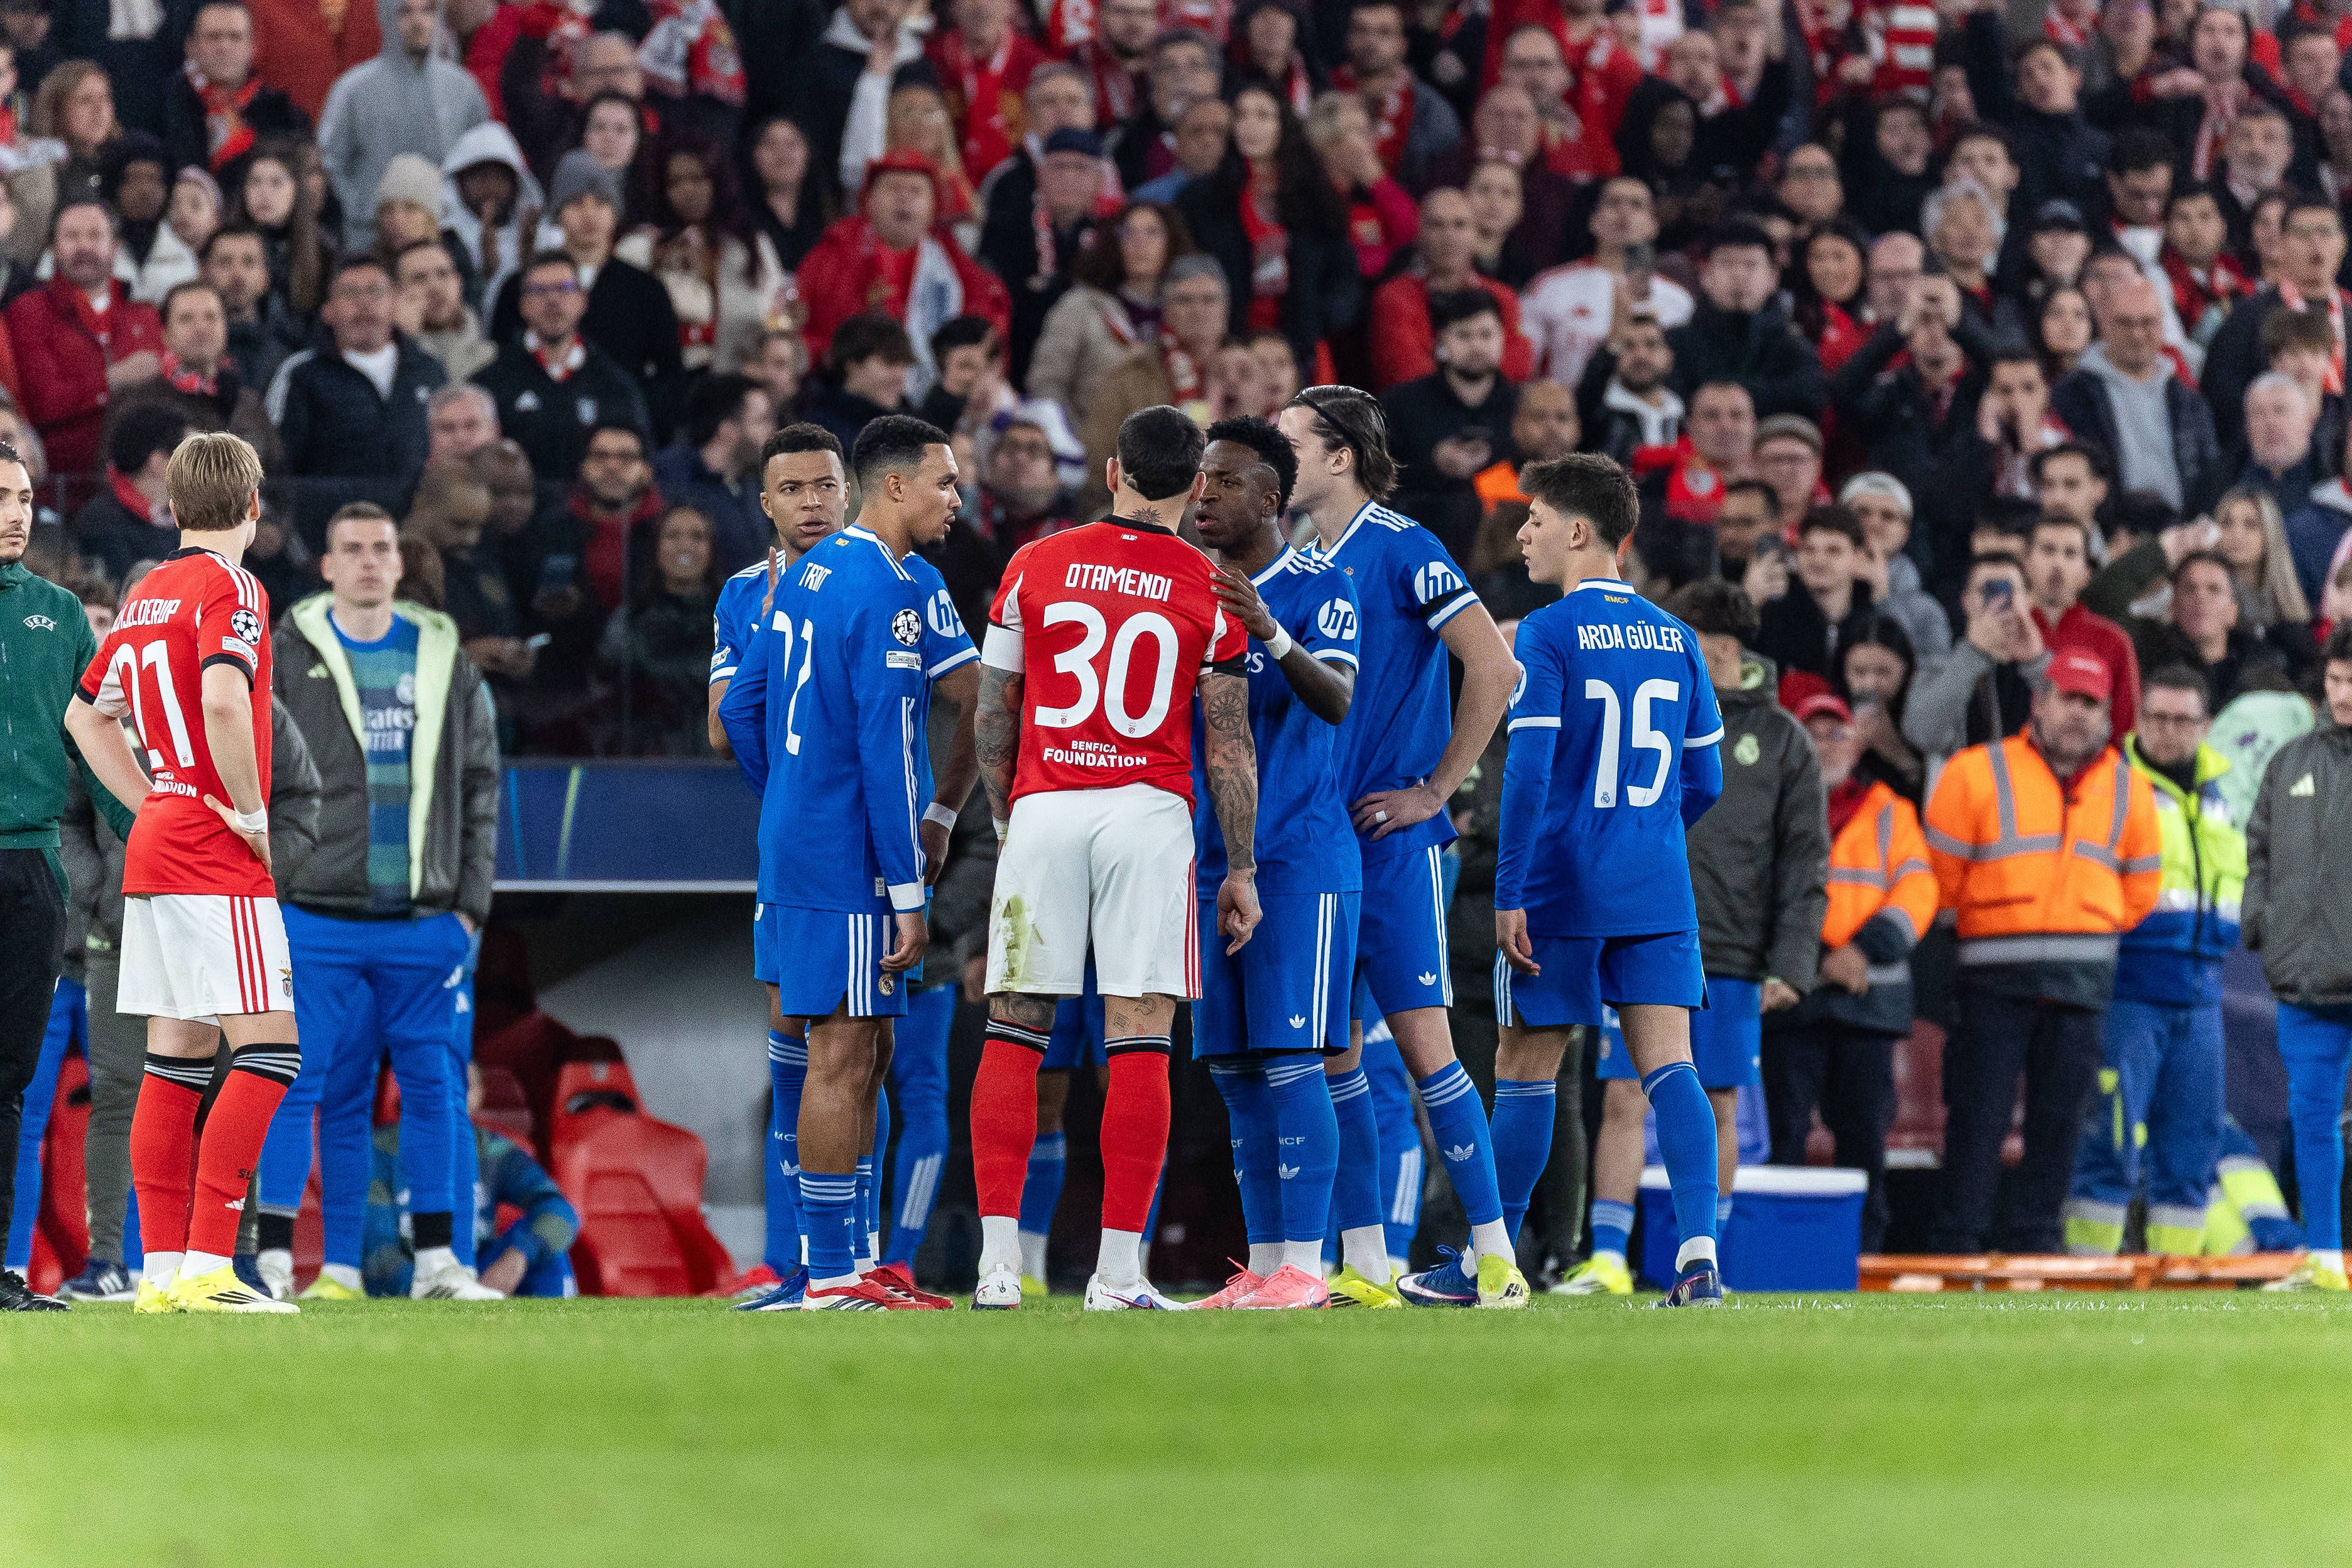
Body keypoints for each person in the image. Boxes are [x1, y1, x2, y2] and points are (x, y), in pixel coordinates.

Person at [966, 404, 1258, 1312]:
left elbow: (991, 713)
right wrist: (1239, 866)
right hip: (1147, 815)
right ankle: (1117, 1272)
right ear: (1198, 485)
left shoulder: (1034, 563)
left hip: (1046, 807)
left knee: (1016, 1024)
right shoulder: (1210, 585)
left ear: (1111, 471)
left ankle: (998, 1267)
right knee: (1140, 1033)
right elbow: (1228, 746)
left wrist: (1008, 823)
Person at [719, 413, 976, 1310]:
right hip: (850, 853)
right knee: (840, 1052)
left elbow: (742, 707)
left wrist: (787, 787)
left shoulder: (807, 578)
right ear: (896, 485)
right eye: (946, 481)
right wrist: (909, 885)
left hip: (806, 836)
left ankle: (847, 1263)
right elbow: (881, 745)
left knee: (862, 1050)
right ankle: (830, 1275)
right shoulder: (879, 589)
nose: (958, 497)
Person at [1275, 384, 1524, 1308]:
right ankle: (1369, 1262)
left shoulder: (1404, 548)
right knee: (1335, 1049)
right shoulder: (1302, 560)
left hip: (1394, 845)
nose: (1275, 461)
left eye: (1290, 443)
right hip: (1320, 846)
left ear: (1341, 456)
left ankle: (1495, 1258)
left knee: (1427, 1050)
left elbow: (1496, 668)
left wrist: (1435, 789)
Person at [62, 431, 303, 1313]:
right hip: (211, 846)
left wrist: (144, 802)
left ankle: (161, 1274)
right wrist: (246, 812)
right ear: (251, 505)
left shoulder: (144, 595)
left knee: (177, 1062)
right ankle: (210, 1265)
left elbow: (85, 720)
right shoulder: (233, 585)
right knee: (272, 1053)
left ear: (171, 508)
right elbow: (222, 697)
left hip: (159, 843)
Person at [1491, 454, 1731, 1305]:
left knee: (1526, 1062)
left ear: (1581, 532)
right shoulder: (1678, 637)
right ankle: (1699, 1256)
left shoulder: (1548, 632)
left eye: (1536, 519)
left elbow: (1527, 770)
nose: (1523, 534)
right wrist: (1649, 837)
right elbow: (1707, 783)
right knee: (1672, 1067)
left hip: (1563, 885)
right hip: (1657, 886)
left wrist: (1510, 888)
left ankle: (1495, 1265)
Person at [252, 503, 501, 1301]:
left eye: (381, 549)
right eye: (351, 549)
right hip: (315, 913)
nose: (366, 562)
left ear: (401, 563)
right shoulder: (286, 652)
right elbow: (254, 772)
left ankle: (438, 1264)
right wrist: (274, 888)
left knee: (435, 1088)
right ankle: (272, 1263)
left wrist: (470, 906)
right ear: (325, 565)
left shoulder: (444, 655)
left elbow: (479, 783)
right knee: (294, 1084)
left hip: (424, 920)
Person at [1184, 416, 1356, 1310]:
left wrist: (1272, 634)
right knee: (1236, 1070)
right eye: (1201, 479)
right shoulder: (1185, 588)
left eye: (1225, 480)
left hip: (1301, 858)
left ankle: (1309, 1268)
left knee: (1293, 1060)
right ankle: (1261, 1268)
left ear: (1272, 498)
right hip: (1209, 861)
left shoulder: (1319, 587)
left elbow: (1336, 700)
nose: (1204, 493)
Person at [1924, 648, 2162, 1254]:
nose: (2078, 714)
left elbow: (2142, 885)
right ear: (2040, 701)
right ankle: (1959, 1246)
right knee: (1978, 1123)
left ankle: (2036, 1243)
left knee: (2060, 1128)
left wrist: (2086, 930)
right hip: (1991, 983)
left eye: (2091, 704)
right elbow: (1938, 882)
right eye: (2068, 699)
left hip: (2081, 988)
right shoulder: (1974, 772)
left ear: (2108, 714)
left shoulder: (2129, 787)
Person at [0, 436, 133, 1310]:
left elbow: (95, 747)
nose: (14, 514)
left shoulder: (57, 613)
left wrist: (153, 833)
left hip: (30, 869)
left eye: (21, 498)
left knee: (7, 1079)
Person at [2061, 664, 2241, 1261]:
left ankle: (2179, 1287)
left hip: (2202, 995)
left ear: (2206, 725)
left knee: (2191, 1153)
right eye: (2157, 718)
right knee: (2108, 1147)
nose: (2169, 732)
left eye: (2183, 720)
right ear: (2137, 721)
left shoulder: (2220, 796)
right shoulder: (2112, 786)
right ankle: (2085, 1283)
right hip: (2128, 992)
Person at [1762, 691, 1937, 1253]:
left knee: (1864, 1140)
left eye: (1838, 731)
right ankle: (1782, 1257)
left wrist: (1864, 950)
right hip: (1794, 1000)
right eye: (1814, 731)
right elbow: (1753, 891)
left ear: (1858, 742)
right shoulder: (1770, 804)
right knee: (1783, 1136)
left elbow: (1919, 888)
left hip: (1868, 998)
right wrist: (1819, 961)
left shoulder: (1892, 810)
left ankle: (1865, 1256)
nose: (1827, 743)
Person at [4, 199, 165, 476]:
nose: (84, 247)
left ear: (116, 247)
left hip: (144, 480)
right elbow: (43, 403)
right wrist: (112, 379)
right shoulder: (28, 311)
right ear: (53, 249)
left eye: (95, 235)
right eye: (71, 236)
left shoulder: (145, 314)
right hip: (62, 484)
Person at [317, 0, 490, 249]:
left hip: (447, 236)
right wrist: (362, 208)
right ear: (387, 17)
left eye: (428, 10)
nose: (418, 22)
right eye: (405, 11)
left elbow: (481, 160)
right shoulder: (353, 90)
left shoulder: (463, 90)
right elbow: (328, 162)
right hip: (370, 240)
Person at [264, 253, 445, 484]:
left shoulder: (429, 369)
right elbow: (285, 464)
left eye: (376, 291)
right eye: (350, 293)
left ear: (395, 303)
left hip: (419, 515)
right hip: (335, 515)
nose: (364, 303)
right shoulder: (304, 376)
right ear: (328, 311)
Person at [474, 251, 651, 484]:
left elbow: (640, 467)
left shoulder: (616, 385)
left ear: (583, 301)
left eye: (564, 288)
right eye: (540, 291)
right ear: (523, 306)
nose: (553, 300)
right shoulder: (491, 382)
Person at [2050, 276, 2221, 515]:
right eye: (2126, 324)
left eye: (2147, 323)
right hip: (2112, 534)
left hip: (2184, 530)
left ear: (2162, 325)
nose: (2138, 334)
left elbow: (2211, 474)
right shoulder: (2071, 393)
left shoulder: (2189, 401)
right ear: (2105, 325)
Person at [1383, 287, 1522, 559]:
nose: (1477, 346)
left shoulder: (1524, 405)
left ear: (1503, 338)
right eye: (1464, 336)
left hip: (1511, 547)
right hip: (1420, 543)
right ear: (1441, 341)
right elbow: (1379, 475)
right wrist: (1433, 464)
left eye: (1486, 335)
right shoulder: (1402, 404)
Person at [162, 1, 310, 181]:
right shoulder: (160, 107)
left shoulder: (285, 116)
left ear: (252, 47)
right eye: (213, 37)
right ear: (190, 47)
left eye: (235, 37)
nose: (224, 47)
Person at [651, 372, 773, 574]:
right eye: (762, 421)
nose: (772, 432)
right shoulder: (672, 482)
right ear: (727, 429)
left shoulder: (750, 486)